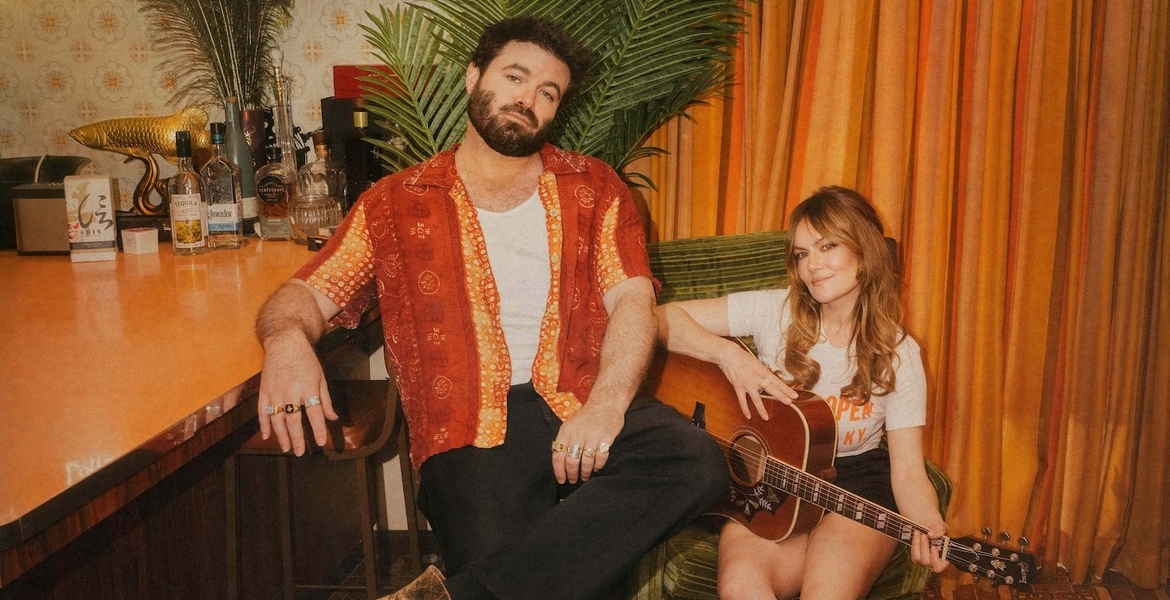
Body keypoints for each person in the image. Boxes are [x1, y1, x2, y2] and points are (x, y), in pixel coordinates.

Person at [253, 16, 729, 600]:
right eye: (515, 77)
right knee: (536, 567)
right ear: (473, 76)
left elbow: (633, 299)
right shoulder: (394, 203)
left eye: (548, 92)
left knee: (696, 461)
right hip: (469, 427)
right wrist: (285, 341)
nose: (528, 99)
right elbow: (304, 294)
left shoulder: (594, 187)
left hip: (580, 397)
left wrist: (605, 407)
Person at [655, 186, 949, 599]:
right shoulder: (776, 310)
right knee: (740, 588)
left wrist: (929, 522)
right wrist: (729, 356)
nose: (812, 265)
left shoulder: (900, 354)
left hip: (855, 487)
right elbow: (660, 318)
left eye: (827, 246)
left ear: (864, 249)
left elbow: (908, 472)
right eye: (801, 253)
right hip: (771, 481)